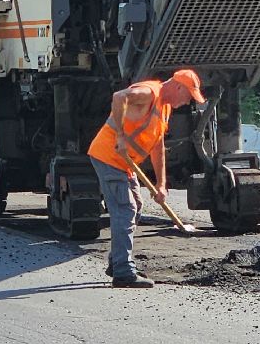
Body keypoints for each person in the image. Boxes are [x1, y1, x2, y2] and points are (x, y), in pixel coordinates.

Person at [86, 69, 206, 288]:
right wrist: (120, 136)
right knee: (125, 209)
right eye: (188, 96)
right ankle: (123, 273)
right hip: (108, 156)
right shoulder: (150, 93)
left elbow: (158, 147)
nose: (187, 102)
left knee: (136, 207)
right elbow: (119, 97)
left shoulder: (165, 108)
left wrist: (161, 184)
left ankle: (117, 261)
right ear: (178, 87)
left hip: (124, 164)